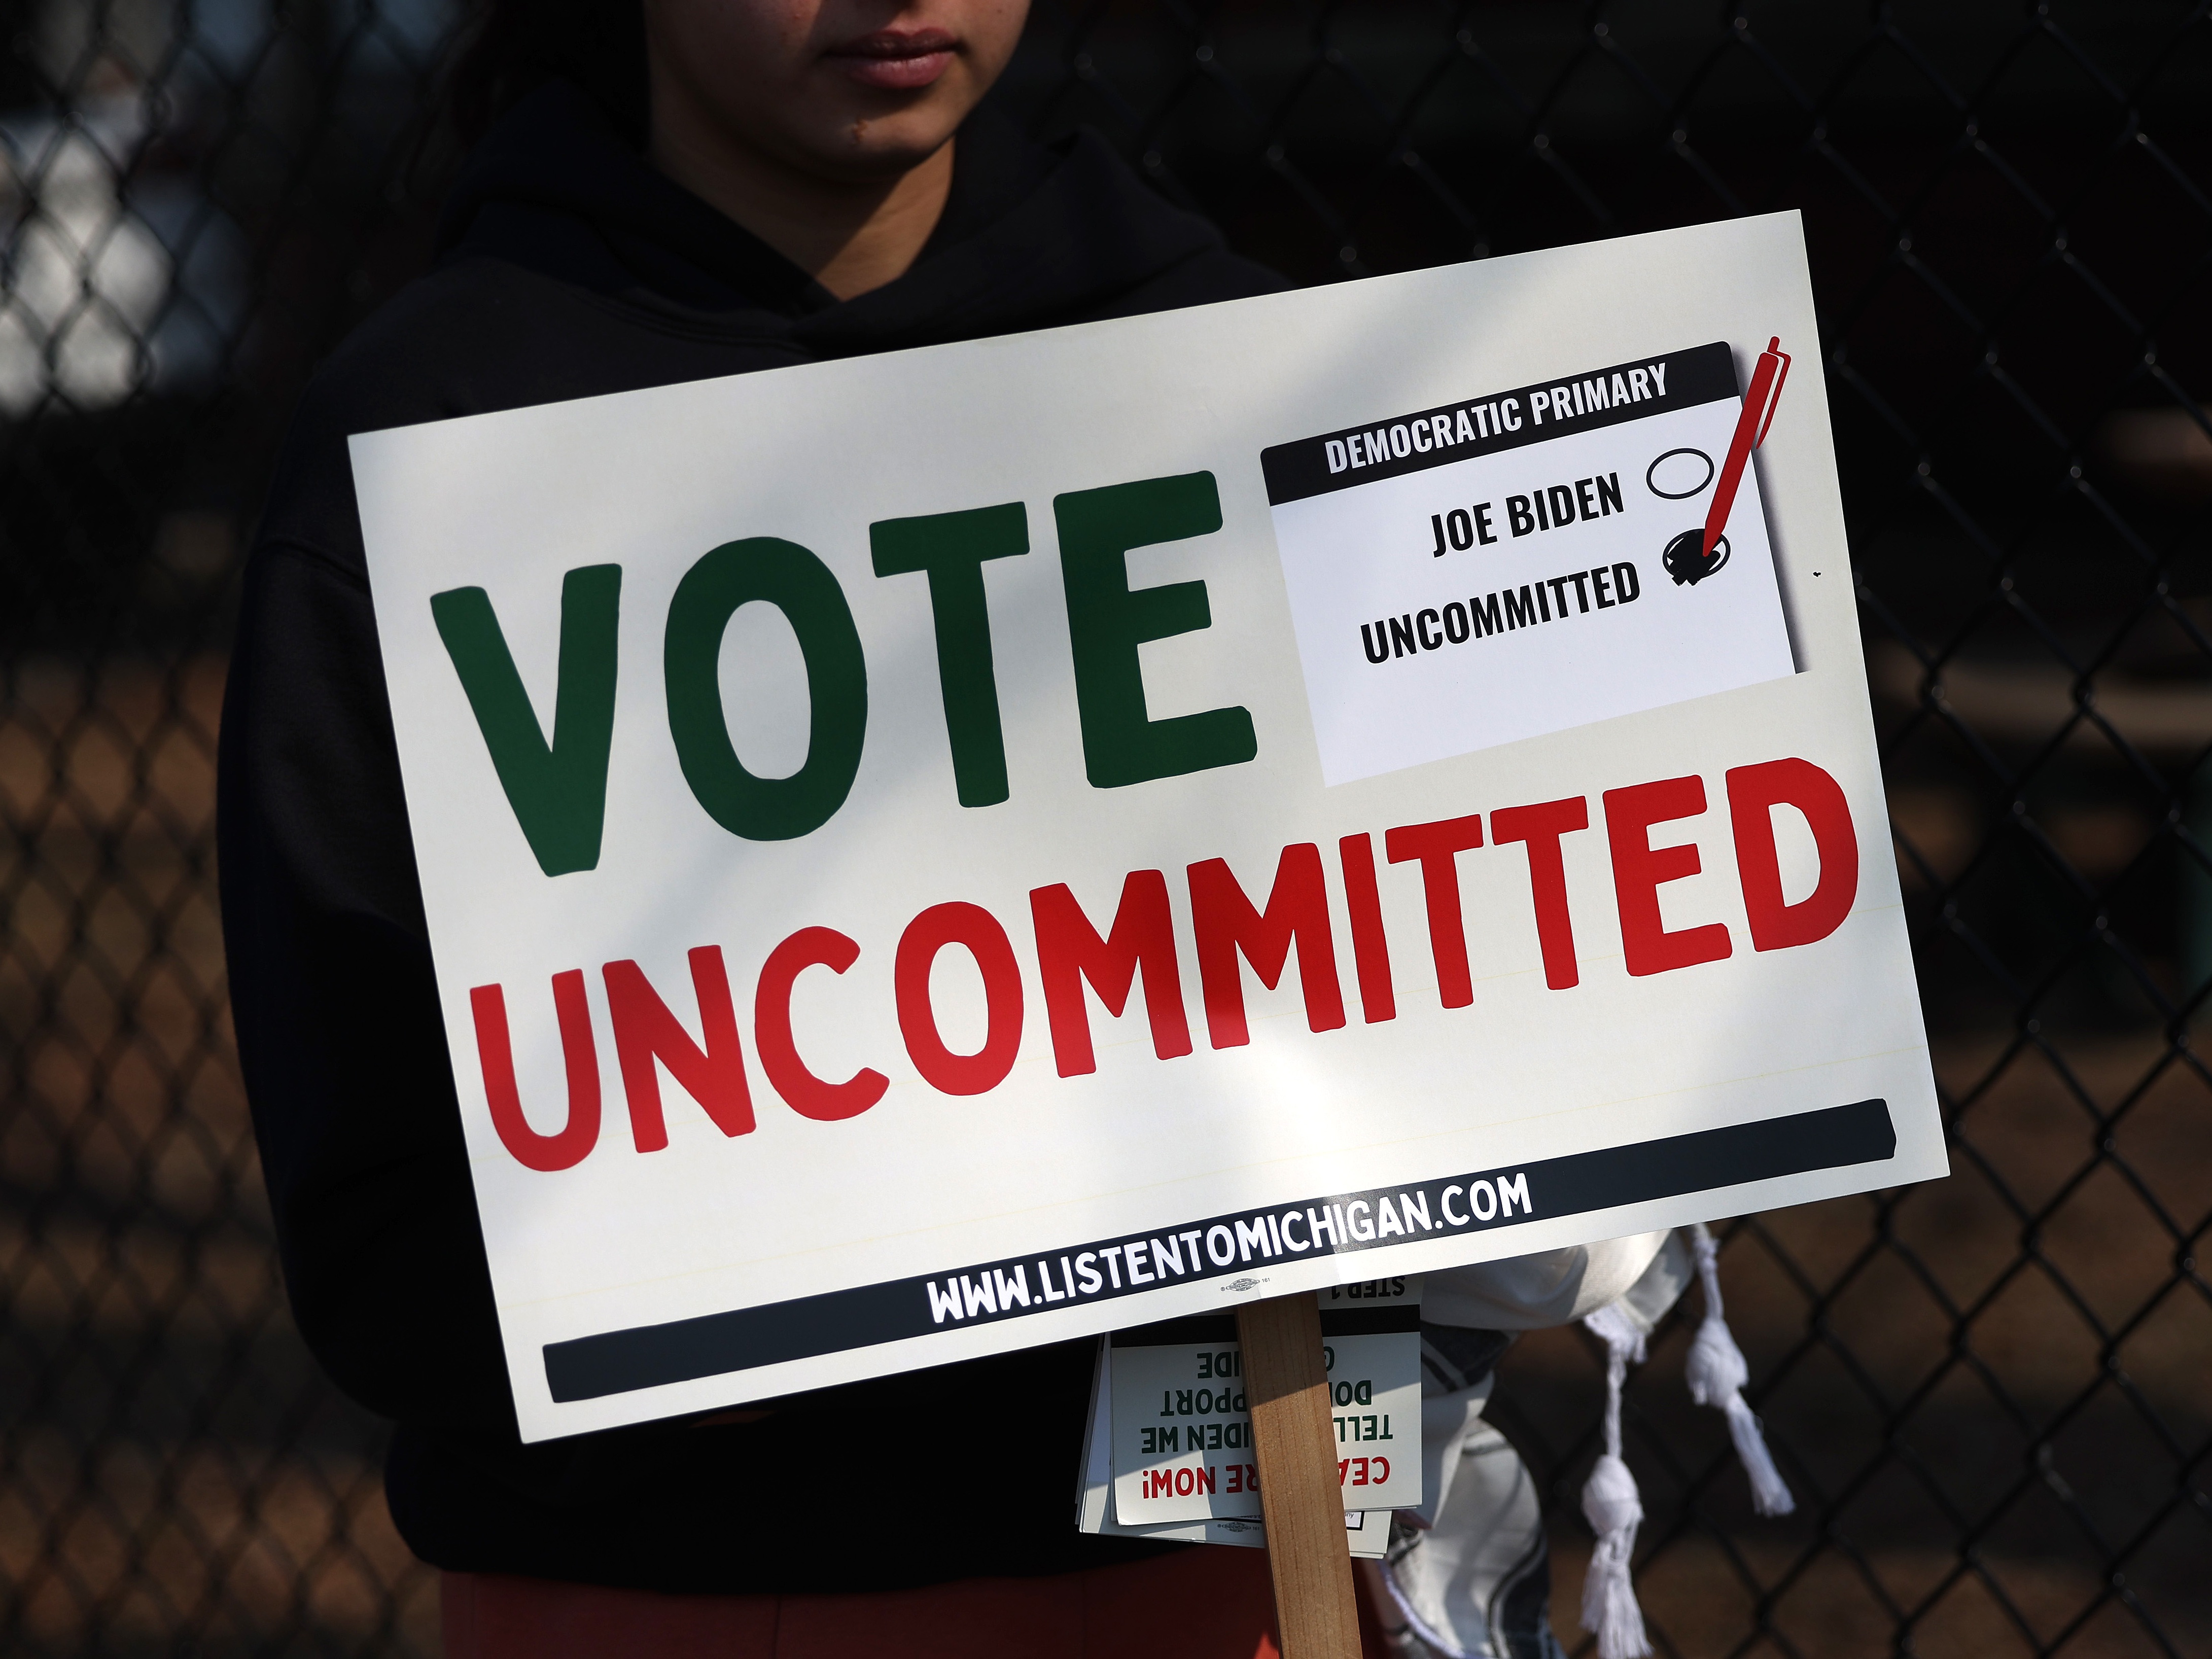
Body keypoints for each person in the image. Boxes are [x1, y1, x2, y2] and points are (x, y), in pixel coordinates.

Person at [218, 2, 1307, 1653]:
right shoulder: (434, 445)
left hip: (1232, 1548)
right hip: (668, 1589)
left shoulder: (1251, 371)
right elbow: (382, 1238)